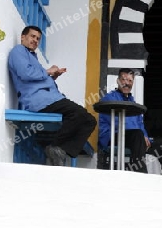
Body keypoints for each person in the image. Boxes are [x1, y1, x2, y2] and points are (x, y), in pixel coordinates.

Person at [8, 25, 97, 166]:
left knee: (90, 120)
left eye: (38, 38)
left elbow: (36, 78)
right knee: (79, 114)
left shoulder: (33, 57)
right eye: (32, 36)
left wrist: (53, 76)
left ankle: (59, 150)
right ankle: (56, 146)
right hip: (39, 100)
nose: (35, 40)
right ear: (23, 37)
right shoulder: (18, 51)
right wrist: (48, 71)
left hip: (51, 98)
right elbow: (25, 74)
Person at [98, 68, 162, 175]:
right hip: (113, 136)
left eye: (130, 81)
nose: (126, 83)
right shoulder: (109, 99)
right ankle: (140, 175)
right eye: (123, 79)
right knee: (137, 134)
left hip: (137, 139)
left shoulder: (133, 103)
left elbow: (140, 124)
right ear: (118, 81)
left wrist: (145, 136)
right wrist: (141, 135)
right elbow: (118, 122)